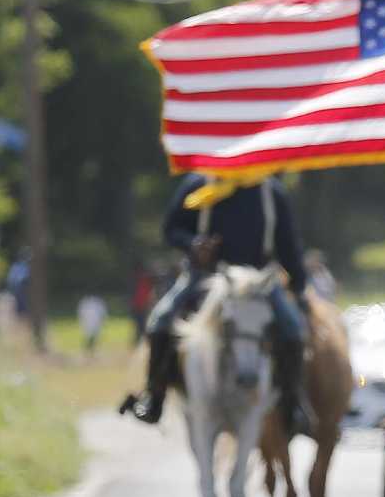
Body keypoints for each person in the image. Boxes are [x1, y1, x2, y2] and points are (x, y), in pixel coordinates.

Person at [120, 175, 311, 435]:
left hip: (256, 281)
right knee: (161, 319)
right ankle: (154, 396)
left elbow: (287, 244)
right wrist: (194, 245)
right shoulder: (198, 184)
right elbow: (171, 228)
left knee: (292, 326)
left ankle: (292, 403)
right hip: (206, 276)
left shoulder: (271, 192)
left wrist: (299, 284)